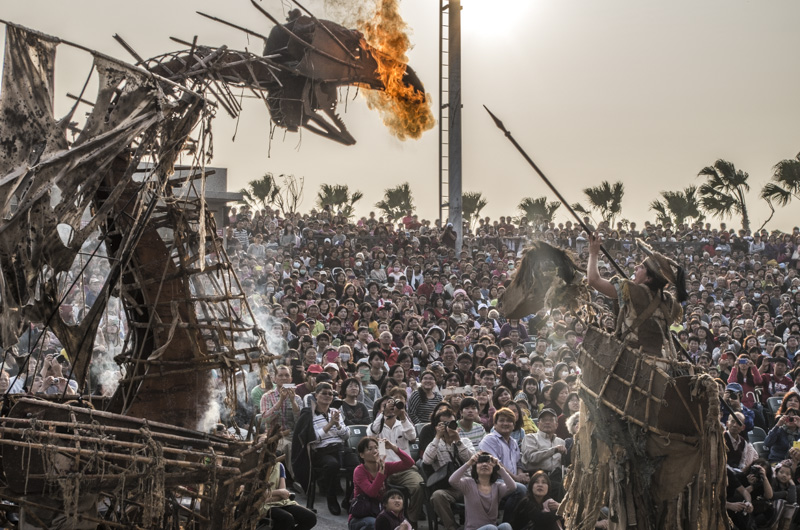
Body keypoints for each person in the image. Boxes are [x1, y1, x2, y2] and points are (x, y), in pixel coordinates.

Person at [291, 382, 350, 515]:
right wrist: (330, 424)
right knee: (332, 465)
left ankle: (349, 499)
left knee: (356, 464)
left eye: (330, 394)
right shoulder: (309, 414)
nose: (327, 396)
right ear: (316, 395)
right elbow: (313, 438)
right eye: (324, 393)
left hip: (340, 448)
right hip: (321, 451)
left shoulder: (335, 412)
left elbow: (346, 436)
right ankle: (331, 497)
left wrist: (338, 425)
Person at [368, 392, 424, 527]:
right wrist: (383, 413)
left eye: (393, 405)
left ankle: (411, 519)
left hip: (405, 468)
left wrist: (403, 416)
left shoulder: (402, 424)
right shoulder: (376, 425)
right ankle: (387, 519)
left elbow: (412, 436)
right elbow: (372, 434)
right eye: (386, 405)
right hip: (384, 468)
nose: (390, 407)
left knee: (418, 486)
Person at [423, 408, 476, 530]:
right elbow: (426, 460)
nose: (449, 427)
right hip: (450, 488)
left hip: (469, 485)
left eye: (452, 423)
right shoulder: (436, 444)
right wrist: (437, 436)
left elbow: (471, 459)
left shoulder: (465, 441)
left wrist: (457, 440)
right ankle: (451, 527)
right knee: (437, 496)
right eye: (444, 424)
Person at [350, 437, 415, 530]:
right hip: (362, 515)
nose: (374, 451)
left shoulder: (385, 466)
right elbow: (372, 492)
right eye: (370, 449)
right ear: (362, 455)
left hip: (380, 512)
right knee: (374, 524)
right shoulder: (359, 471)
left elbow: (409, 463)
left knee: (405, 525)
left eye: (376, 448)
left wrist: (393, 447)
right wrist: (381, 471)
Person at [448, 452, 515, 530]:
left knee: (506, 526)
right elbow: (452, 481)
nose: (484, 464)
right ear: (475, 467)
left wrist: (499, 467)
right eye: (480, 462)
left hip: (493, 528)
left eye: (488, 462)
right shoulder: (468, 484)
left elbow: (512, 487)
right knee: (491, 528)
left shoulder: (497, 486)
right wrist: (469, 463)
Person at [261, 365, 303, 481]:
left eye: (286, 375)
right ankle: (295, 478)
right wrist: (280, 401)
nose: (284, 378)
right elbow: (265, 419)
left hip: (292, 435)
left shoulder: (297, 398)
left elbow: (300, 422)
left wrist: (293, 401)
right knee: (288, 445)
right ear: (274, 379)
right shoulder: (267, 397)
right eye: (280, 375)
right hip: (273, 435)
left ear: (291, 379)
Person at [520, 408, 566, 501]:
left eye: (551, 420)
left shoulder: (561, 441)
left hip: (556, 478)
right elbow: (531, 458)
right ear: (538, 424)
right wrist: (554, 450)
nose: (547, 422)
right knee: (560, 489)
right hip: (536, 477)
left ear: (556, 425)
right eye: (544, 420)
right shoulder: (530, 438)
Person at [256, 461, 317, 530]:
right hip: (263, 506)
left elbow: (284, 493)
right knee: (287, 519)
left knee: (310, 517)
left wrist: (270, 495)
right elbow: (260, 495)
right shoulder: (256, 466)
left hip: (282, 502)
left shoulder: (279, 465)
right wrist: (279, 493)